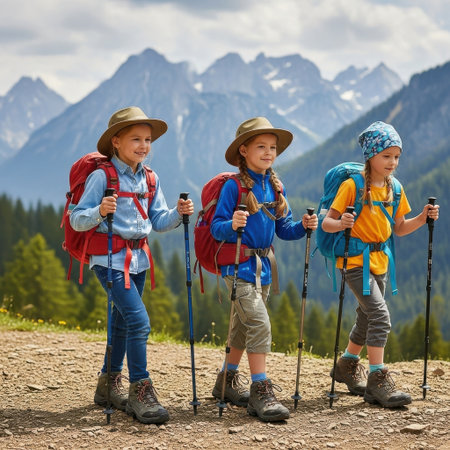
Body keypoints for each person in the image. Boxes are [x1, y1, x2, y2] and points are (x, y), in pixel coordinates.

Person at [70, 106, 194, 424]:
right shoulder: (102, 177)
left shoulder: (150, 178)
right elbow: (77, 219)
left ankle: (107, 385)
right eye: (136, 139)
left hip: (139, 262)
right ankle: (141, 391)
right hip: (109, 261)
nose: (143, 146)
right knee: (139, 323)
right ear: (116, 141)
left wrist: (179, 214)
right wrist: (99, 210)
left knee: (124, 323)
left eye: (148, 140)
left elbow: (158, 220)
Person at [322, 121, 439, 408]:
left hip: (381, 260)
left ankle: (347, 365)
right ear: (371, 156)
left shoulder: (395, 188)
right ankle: (377, 380)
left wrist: (423, 218)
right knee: (380, 317)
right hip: (353, 260)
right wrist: (341, 223)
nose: (392, 162)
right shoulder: (353, 186)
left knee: (366, 315)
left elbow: (398, 228)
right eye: (386, 156)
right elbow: (326, 223)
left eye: (396, 156)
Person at [210, 117, 318, 421]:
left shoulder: (275, 185)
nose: (269, 152)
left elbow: (284, 228)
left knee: (244, 327)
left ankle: (226, 382)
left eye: (273, 147)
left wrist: (304, 227)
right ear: (243, 150)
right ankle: (260, 392)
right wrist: (232, 225)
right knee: (259, 324)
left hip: (265, 269)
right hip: (238, 266)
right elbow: (217, 229)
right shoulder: (233, 187)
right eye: (261, 146)